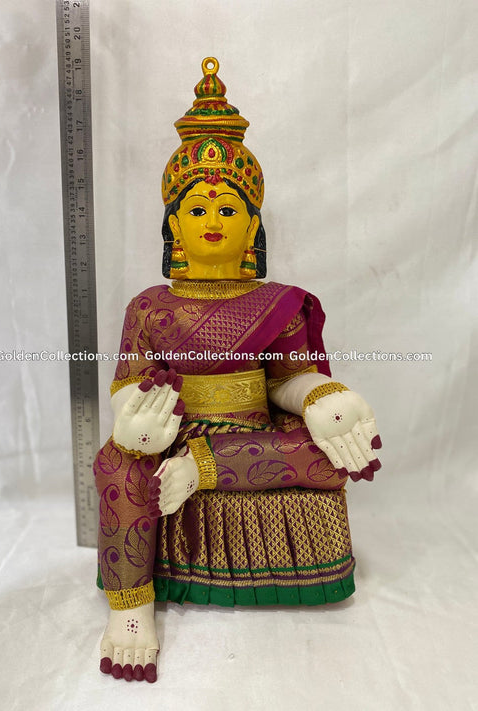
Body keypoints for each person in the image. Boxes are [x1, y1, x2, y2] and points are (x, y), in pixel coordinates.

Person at [94, 58, 381, 683]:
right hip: (174, 431)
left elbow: (288, 378)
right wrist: (131, 419)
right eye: (196, 210)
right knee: (117, 463)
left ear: (253, 224)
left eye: (228, 209)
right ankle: (130, 607)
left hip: (254, 434)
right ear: (173, 224)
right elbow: (128, 381)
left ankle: (204, 472)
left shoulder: (278, 302)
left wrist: (324, 397)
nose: (212, 221)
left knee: (329, 452)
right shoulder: (149, 306)